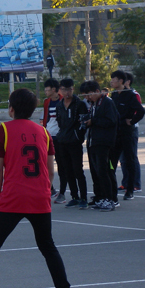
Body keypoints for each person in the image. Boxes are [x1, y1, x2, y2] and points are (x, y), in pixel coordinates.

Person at [0, 88, 74, 288]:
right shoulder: (43, 132)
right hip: (39, 197)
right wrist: (44, 190)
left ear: (11, 109)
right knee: (47, 246)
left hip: (13, 197)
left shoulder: (3, 130)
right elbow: (50, 170)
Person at [83, 80, 119, 211]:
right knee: (95, 171)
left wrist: (93, 121)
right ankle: (100, 197)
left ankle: (110, 199)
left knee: (104, 171)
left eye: (89, 95)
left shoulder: (107, 102)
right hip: (93, 141)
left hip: (104, 142)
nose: (88, 98)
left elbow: (111, 121)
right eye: (85, 96)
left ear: (97, 91)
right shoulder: (94, 104)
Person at [109, 71, 145, 201]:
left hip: (127, 133)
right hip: (115, 133)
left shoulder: (130, 95)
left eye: (114, 79)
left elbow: (141, 111)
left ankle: (130, 189)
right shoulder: (114, 95)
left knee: (130, 161)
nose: (111, 82)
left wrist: (132, 121)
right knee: (112, 162)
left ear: (121, 81)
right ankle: (111, 190)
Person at [55, 78, 89, 208]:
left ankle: (83, 198)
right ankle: (74, 197)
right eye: (64, 89)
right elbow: (59, 122)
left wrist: (78, 136)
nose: (67, 92)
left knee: (78, 170)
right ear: (60, 90)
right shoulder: (59, 105)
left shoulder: (79, 104)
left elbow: (84, 123)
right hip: (62, 141)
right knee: (67, 170)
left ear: (73, 89)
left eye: (69, 89)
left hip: (74, 142)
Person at [41, 78, 64, 200]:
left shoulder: (63, 100)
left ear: (54, 89)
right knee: (44, 164)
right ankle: (50, 188)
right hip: (48, 136)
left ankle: (62, 192)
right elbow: (46, 118)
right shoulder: (47, 102)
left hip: (59, 136)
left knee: (61, 164)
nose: (45, 91)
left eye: (47, 89)